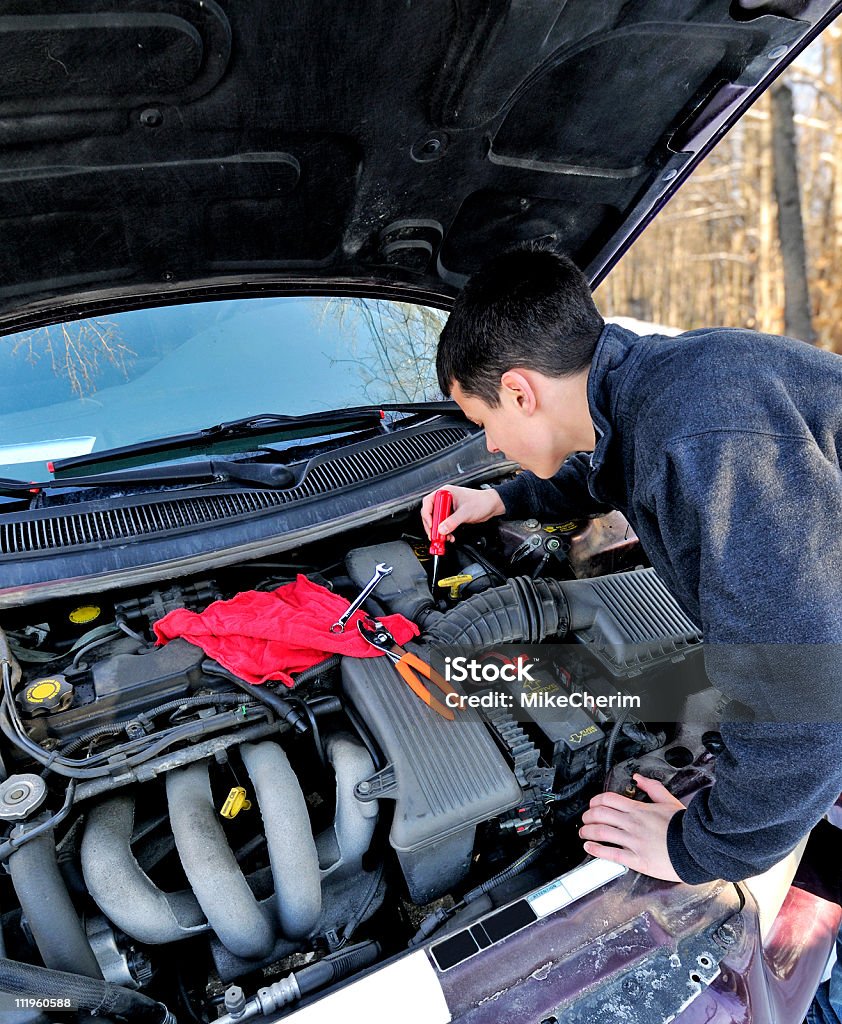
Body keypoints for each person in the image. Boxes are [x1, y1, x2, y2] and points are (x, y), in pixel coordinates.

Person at [420, 247, 842, 1010]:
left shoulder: (710, 444)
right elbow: (609, 460)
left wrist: (694, 847)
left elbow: (806, 715)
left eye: (483, 423)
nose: (487, 446)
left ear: (519, 391)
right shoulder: (662, 386)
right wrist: (505, 501)